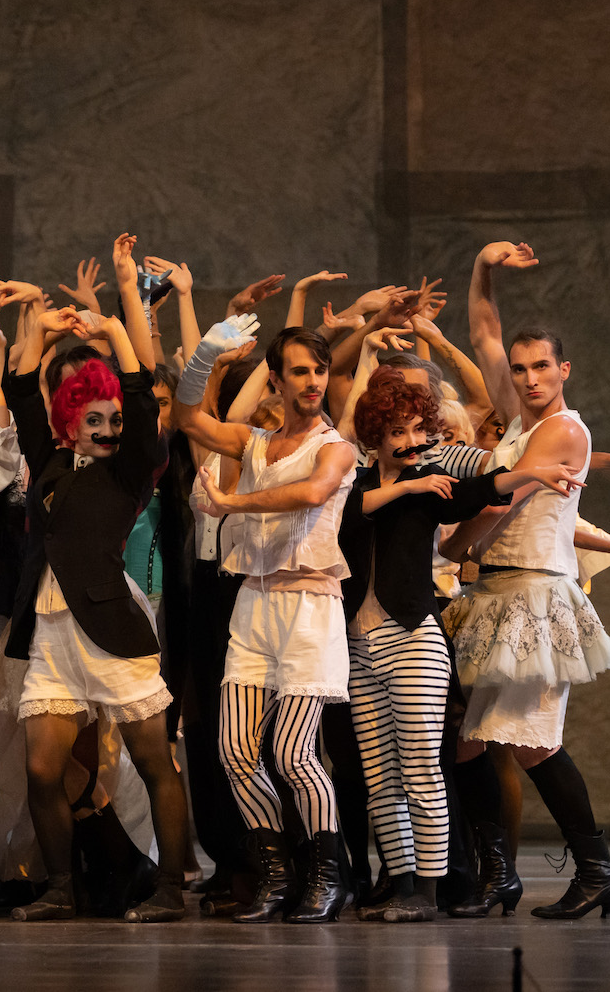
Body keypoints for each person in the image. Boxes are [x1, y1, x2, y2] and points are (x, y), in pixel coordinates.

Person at [341, 365, 582, 922]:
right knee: (380, 776)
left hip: (413, 640)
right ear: (375, 436)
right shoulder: (357, 483)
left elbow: (481, 489)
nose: (408, 441)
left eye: (415, 430)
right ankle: (401, 883)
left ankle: (427, 892)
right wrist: (406, 486)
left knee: (423, 769)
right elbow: (349, 511)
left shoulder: (431, 485)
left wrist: (532, 472)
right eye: (395, 432)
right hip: (356, 643)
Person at [442, 241, 610, 921]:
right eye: (519, 369)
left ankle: (597, 870)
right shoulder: (521, 421)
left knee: (531, 743)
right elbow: (484, 331)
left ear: (563, 369)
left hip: (534, 596)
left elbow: (502, 502)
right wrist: (482, 266)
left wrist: (451, 544)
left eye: (540, 366)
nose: (526, 377)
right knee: (467, 741)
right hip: (498, 593)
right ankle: (499, 874)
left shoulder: (563, 432)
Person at [0, 302, 190, 923]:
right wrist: (38, 332)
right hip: (50, 633)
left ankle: (169, 887)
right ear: (71, 423)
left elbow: (140, 396)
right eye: (93, 419)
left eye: (114, 420)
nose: (107, 429)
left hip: (111, 632)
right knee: (41, 769)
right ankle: (61, 887)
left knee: (155, 762)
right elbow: (20, 392)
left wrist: (114, 333)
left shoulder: (130, 472)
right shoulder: (52, 463)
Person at [175, 322, 358, 924]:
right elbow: (188, 419)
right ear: (275, 380)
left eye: (319, 370)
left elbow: (313, 493)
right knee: (234, 752)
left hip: (309, 608)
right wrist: (205, 357)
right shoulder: (254, 441)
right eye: (300, 371)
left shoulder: (335, 447)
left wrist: (233, 504)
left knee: (294, 755)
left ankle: (327, 877)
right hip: (254, 603)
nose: (312, 382)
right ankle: (277, 876)